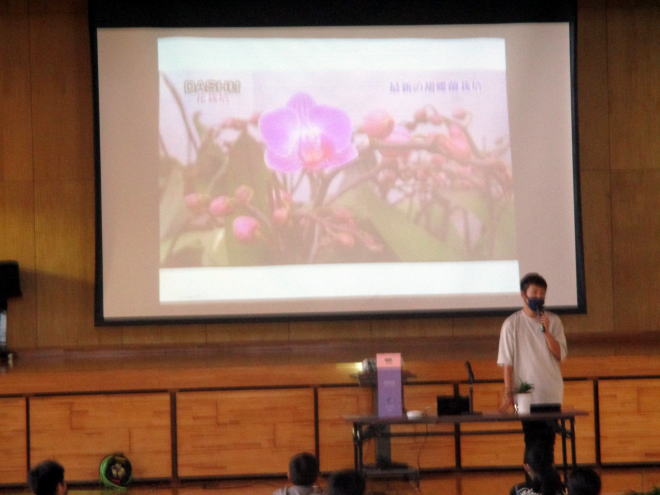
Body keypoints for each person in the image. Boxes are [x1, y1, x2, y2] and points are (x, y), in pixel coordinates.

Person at [497, 273, 568, 467]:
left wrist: (546, 331)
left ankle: (547, 482)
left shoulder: (553, 321)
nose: (539, 296)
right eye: (534, 292)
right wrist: (508, 393)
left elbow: (560, 355)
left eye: (542, 293)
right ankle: (532, 482)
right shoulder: (511, 324)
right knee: (532, 443)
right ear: (523, 295)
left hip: (551, 393)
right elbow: (507, 362)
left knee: (548, 444)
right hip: (524, 396)